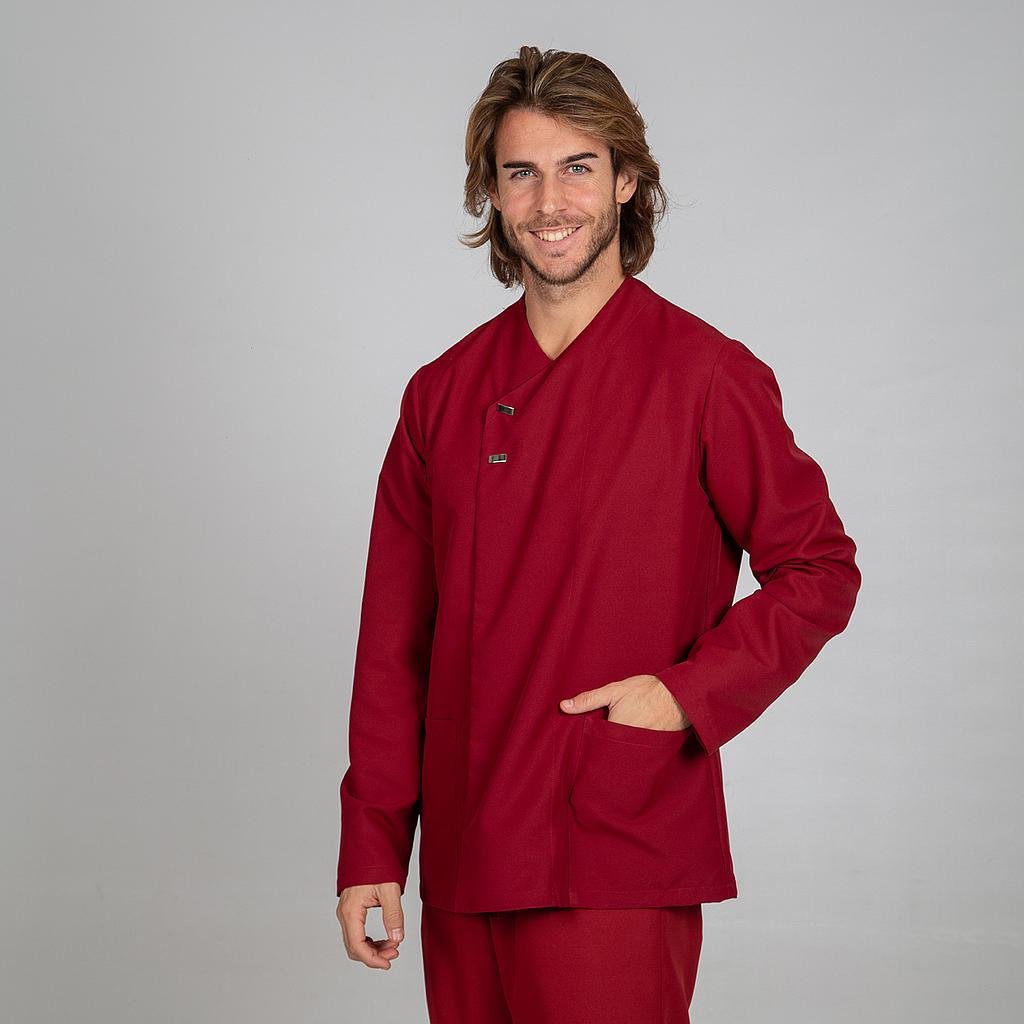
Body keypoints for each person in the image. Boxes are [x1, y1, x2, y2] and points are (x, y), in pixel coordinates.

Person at [334, 45, 861, 1023]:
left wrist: (685, 694)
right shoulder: (440, 396)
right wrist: (373, 845)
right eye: (520, 173)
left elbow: (819, 568)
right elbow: (395, 645)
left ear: (626, 180)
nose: (549, 202)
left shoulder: (705, 376)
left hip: (614, 842)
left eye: (577, 167)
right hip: (465, 851)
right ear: (491, 194)